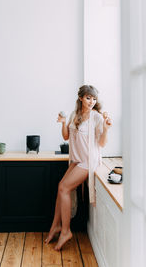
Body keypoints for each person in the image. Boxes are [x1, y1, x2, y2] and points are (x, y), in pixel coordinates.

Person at [45, 85, 112, 250]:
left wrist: (106, 129)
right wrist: (62, 123)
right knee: (61, 188)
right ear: (81, 98)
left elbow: (102, 144)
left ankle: (66, 231)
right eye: (88, 98)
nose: (91, 101)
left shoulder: (96, 117)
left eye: (94, 98)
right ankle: (56, 226)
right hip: (76, 160)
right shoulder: (75, 114)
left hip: (89, 161)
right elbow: (66, 136)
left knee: (64, 188)